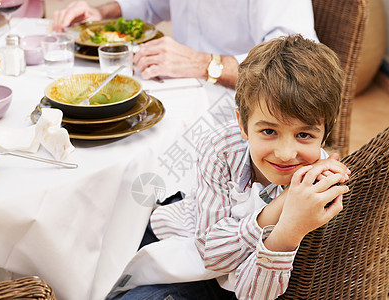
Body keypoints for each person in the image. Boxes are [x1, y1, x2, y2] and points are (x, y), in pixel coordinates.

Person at [105, 34, 350, 300]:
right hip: (183, 235)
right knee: (106, 273)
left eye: (304, 135)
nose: (285, 153)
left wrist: (287, 230)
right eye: (269, 131)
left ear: (325, 135)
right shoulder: (222, 148)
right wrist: (280, 206)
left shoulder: (318, 189)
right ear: (243, 125)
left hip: (222, 281)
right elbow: (209, 254)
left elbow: (249, 293)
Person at [52, 0, 319, 89]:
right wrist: (103, 13)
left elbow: (295, 68)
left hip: (239, 109)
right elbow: (151, 4)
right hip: (176, 87)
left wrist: (204, 65)